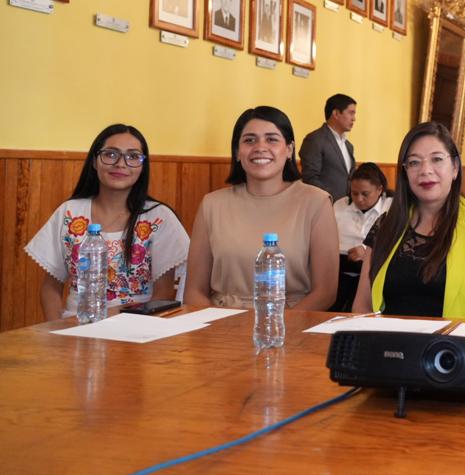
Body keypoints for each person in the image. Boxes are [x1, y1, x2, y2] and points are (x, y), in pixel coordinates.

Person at [24, 124, 189, 320]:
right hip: (76, 324)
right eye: (111, 154)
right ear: (95, 161)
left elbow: (164, 293)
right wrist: (56, 329)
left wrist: (115, 319)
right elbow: (50, 288)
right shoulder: (70, 212)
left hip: (138, 326)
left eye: (133, 156)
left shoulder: (159, 217)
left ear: (143, 167)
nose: (121, 164)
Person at [352, 122, 465, 319]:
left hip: (457, 338)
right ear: (405, 172)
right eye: (414, 162)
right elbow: (362, 304)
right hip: (387, 338)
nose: (425, 170)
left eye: (437, 159)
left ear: (455, 168)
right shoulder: (386, 225)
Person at [184, 106, 337, 309]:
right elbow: (194, 292)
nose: (260, 147)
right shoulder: (212, 204)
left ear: (289, 149)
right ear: (237, 152)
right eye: (249, 140)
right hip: (220, 318)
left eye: (271, 139)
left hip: (292, 320)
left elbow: (325, 293)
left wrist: (274, 325)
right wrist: (216, 325)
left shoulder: (316, 202)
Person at [332, 163, 391, 312]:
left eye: (365, 194)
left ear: (379, 190)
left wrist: (366, 251)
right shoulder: (340, 205)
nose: (359, 199)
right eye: (354, 193)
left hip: (373, 274)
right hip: (340, 272)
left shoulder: (391, 207)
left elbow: (394, 241)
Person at [299, 94, 357, 201]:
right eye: (351, 113)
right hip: (323, 204)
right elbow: (310, 178)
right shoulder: (315, 139)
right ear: (336, 113)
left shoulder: (349, 146)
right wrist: (331, 200)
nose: (354, 119)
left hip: (347, 207)